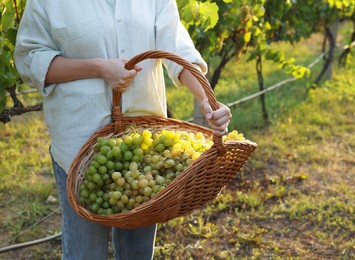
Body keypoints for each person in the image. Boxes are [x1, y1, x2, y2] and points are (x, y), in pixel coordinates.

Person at [14, 0, 231, 259]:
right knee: (86, 253)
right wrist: (99, 68)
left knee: (137, 252)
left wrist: (207, 101)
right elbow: (30, 59)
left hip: (144, 152)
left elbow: (178, 51)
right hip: (78, 151)